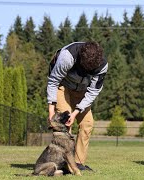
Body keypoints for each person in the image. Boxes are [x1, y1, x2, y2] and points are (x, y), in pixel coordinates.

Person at [47, 41, 108, 171]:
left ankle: (78, 164)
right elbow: (53, 81)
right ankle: (63, 163)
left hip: (81, 89)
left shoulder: (102, 64)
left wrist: (76, 112)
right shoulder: (67, 57)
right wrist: (51, 110)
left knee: (87, 123)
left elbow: (93, 91)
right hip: (62, 85)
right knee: (65, 121)